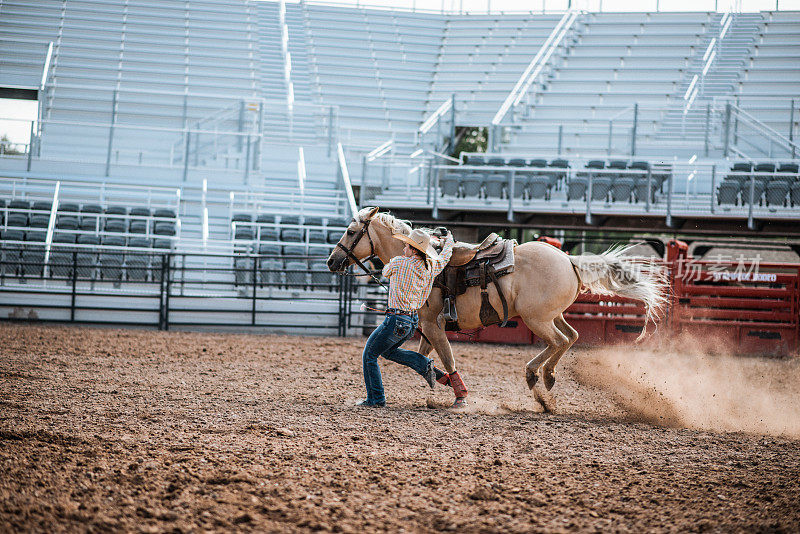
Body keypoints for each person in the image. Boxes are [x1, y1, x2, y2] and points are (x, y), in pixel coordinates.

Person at [357, 227, 454, 407]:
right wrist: (449, 239)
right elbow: (445, 256)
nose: (404, 249)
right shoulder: (431, 266)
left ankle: (376, 399)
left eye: (407, 246)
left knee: (369, 355)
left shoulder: (399, 263)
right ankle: (424, 364)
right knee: (387, 351)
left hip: (395, 320)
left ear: (413, 249)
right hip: (411, 322)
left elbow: (385, 271)